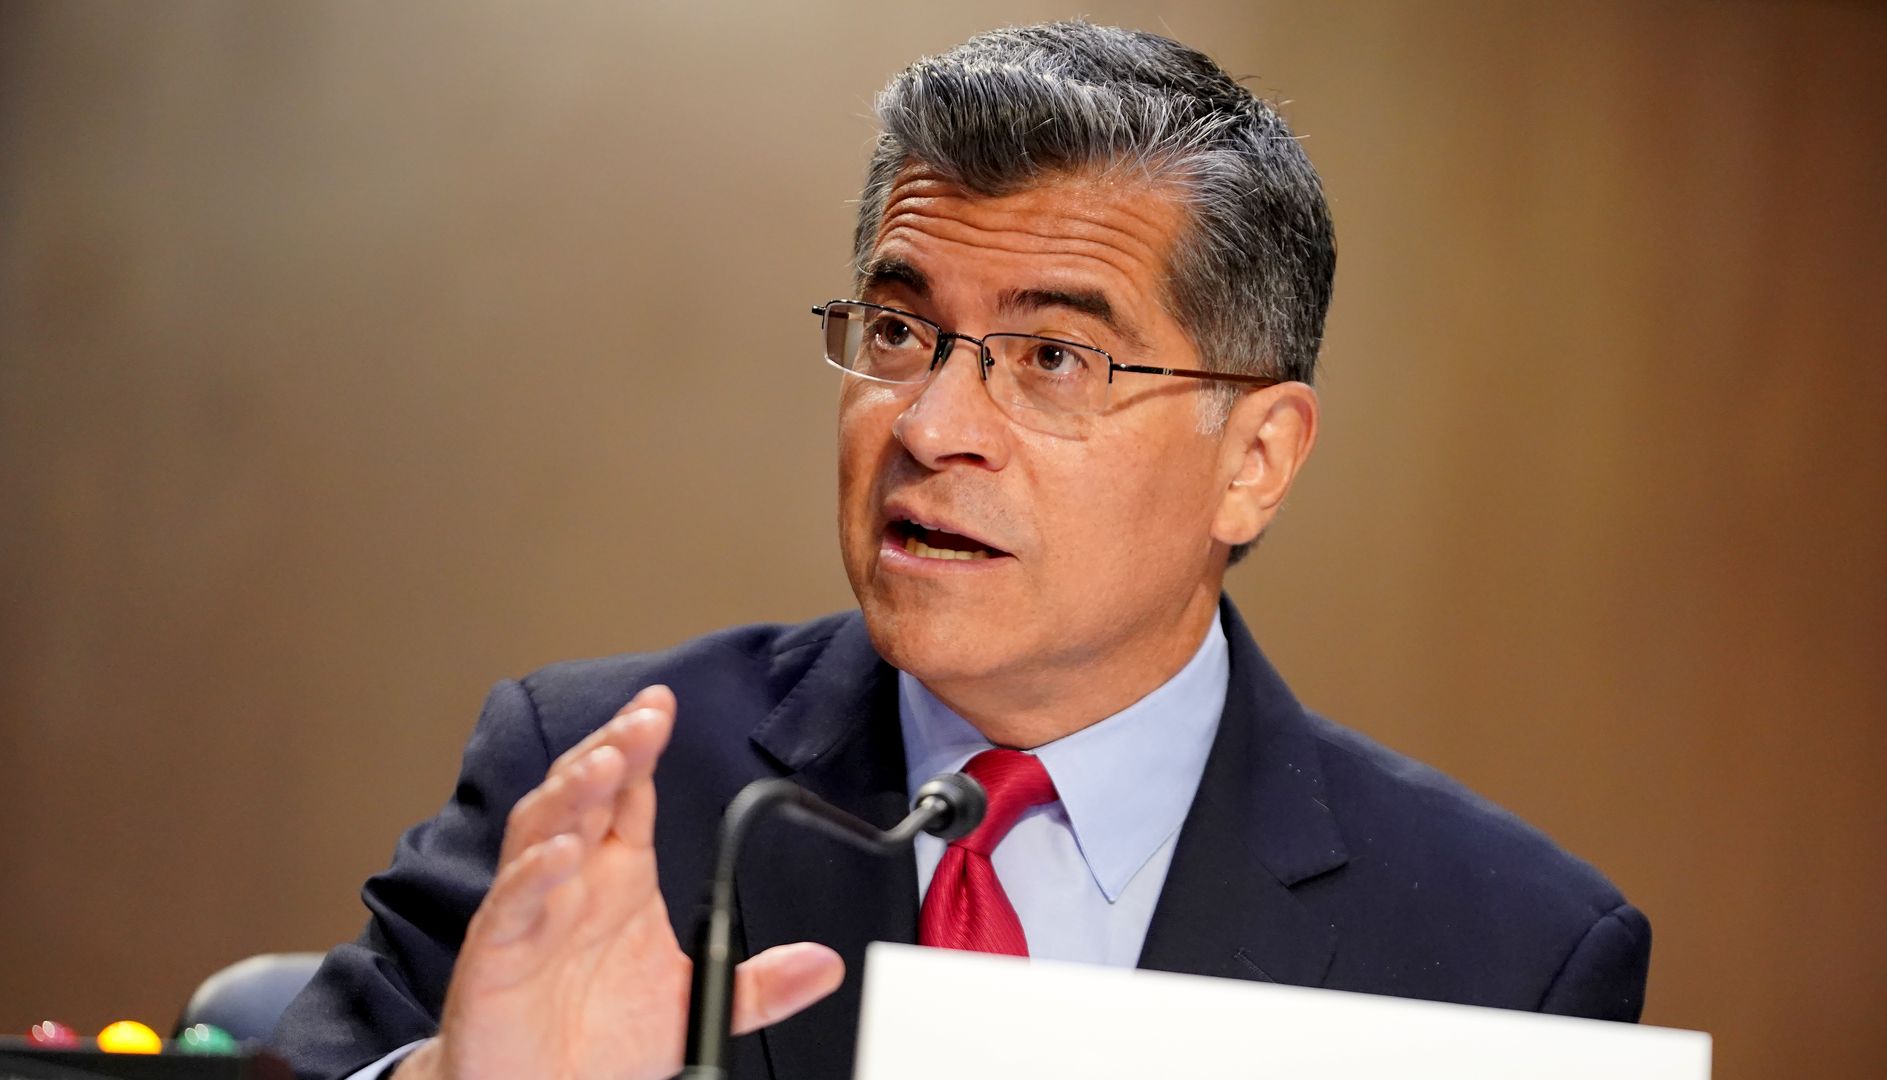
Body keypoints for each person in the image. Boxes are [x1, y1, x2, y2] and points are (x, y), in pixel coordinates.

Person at [271, 21, 1650, 1080]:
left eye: (1053, 358)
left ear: (1256, 459)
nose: (932, 426)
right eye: (897, 332)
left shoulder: (1508, 955)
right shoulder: (606, 784)